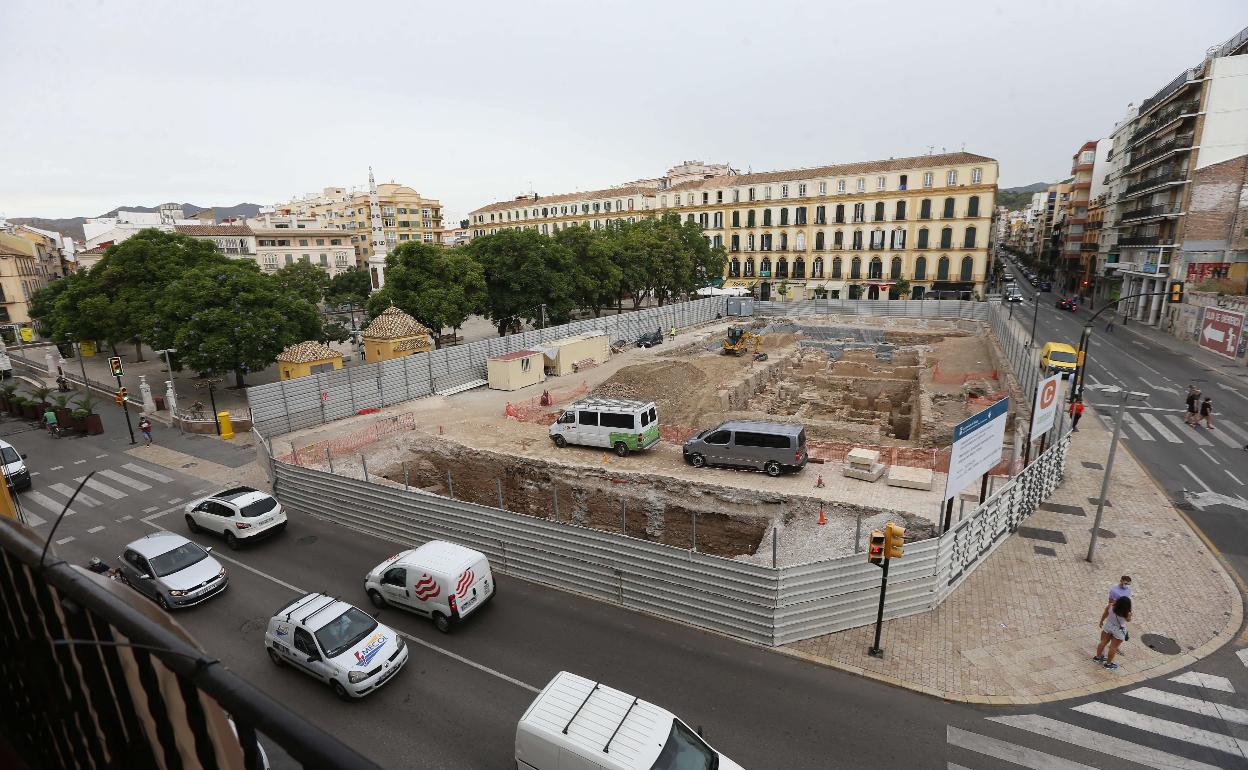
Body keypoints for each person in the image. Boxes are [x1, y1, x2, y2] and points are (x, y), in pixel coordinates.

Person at [1094, 595, 1132, 670]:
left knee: (1103, 642)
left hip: (1109, 626)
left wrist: (1101, 621)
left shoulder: (1111, 606)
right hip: (1119, 630)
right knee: (1113, 647)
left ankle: (1098, 657)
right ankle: (1108, 664)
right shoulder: (1127, 612)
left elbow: (1105, 613)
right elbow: (1128, 620)